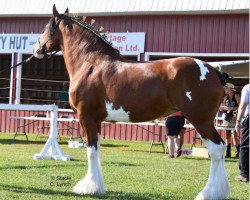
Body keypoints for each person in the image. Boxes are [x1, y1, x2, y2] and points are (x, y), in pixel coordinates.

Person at [219, 83, 240, 157]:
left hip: (234, 117)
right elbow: (221, 107)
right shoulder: (226, 97)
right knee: (227, 134)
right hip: (227, 117)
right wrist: (224, 107)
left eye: (225, 88)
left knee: (234, 134)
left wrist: (232, 108)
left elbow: (240, 106)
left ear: (229, 89)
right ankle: (228, 152)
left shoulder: (236, 95)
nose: (224, 89)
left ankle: (238, 151)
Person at [235, 84, 249, 182]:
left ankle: (244, 174)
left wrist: (238, 121)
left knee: (245, 146)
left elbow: (243, 104)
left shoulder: (247, 87)